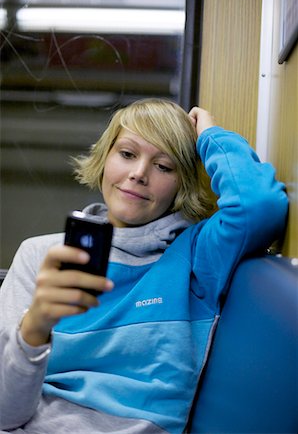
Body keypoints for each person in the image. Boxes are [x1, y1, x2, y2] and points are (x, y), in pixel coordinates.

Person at [0, 98, 288, 433]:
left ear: (182, 184)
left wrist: (211, 136)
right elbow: (6, 413)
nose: (138, 174)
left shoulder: (197, 257)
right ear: (106, 158)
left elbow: (258, 206)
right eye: (127, 154)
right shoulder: (41, 255)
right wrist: (35, 326)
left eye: (163, 166)